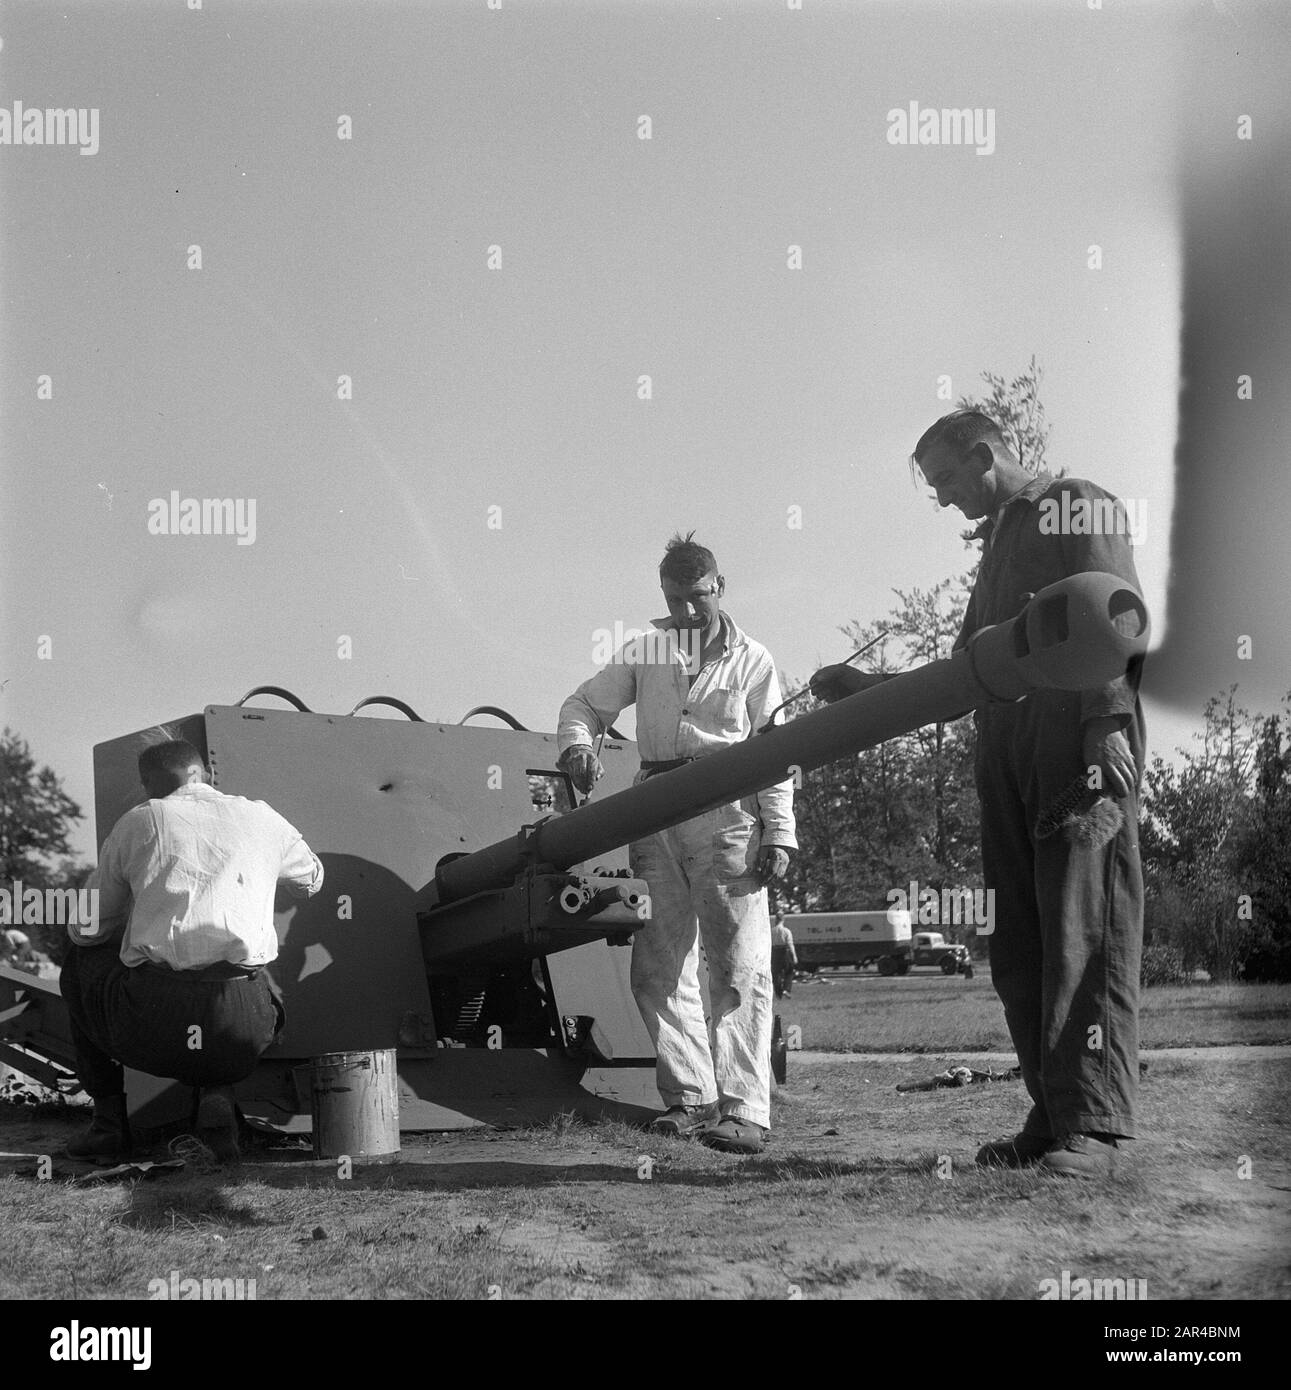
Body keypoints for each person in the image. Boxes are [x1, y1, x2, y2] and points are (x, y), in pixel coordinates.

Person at [812, 410, 1146, 1179]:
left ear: (984, 452)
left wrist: (1105, 721)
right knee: (1021, 944)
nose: (939, 499)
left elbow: (1111, 608)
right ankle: (1053, 1110)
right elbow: (967, 671)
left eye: (944, 480)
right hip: (1006, 754)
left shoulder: (1077, 501)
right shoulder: (998, 539)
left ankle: (1094, 1128)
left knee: (1080, 931)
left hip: (1075, 750)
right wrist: (869, 690)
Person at [557, 533, 795, 1154]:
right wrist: (579, 746)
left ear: (719, 587)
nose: (687, 612)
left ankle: (745, 1109)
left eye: (697, 597)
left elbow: (778, 753)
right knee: (659, 966)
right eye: (674, 599)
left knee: (738, 962)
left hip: (728, 813)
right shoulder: (644, 652)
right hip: (654, 811)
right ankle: (690, 1099)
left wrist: (781, 832)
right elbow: (583, 703)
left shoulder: (755, 660)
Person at [61, 739, 323, 1163]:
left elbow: (85, 929)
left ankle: (107, 1126)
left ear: (148, 786)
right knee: (250, 974)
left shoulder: (139, 820)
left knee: (78, 962)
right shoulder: (262, 816)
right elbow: (312, 879)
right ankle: (217, 1096)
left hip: (153, 1023)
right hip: (244, 1026)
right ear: (207, 775)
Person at [770, 913, 797, 997]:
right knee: (789, 971)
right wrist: (794, 956)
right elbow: (790, 944)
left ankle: (778, 992)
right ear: (783, 920)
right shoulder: (786, 931)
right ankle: (786, 989)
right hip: (784, 951)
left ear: (776, 920)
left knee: (776, 973)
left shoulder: (771, 931)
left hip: (774, 951)